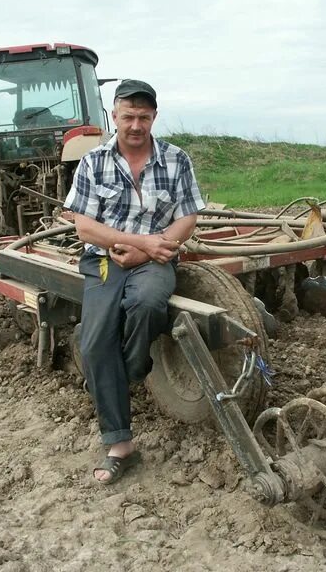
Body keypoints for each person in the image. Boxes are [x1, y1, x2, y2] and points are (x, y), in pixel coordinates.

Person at [63, 79, 205, 484]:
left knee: (146, 303)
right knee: (93, 343)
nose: (136, 125)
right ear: (115, 116)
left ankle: (133, 368)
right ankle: (120, 444)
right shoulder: (94, 162)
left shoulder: (177, 160)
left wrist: (149, 249)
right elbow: (85, 227)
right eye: (129, 116)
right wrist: (131, 242)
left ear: (154, 117)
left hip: (154, 260)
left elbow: (188, 215)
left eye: (144, 117)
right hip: (105, 260)